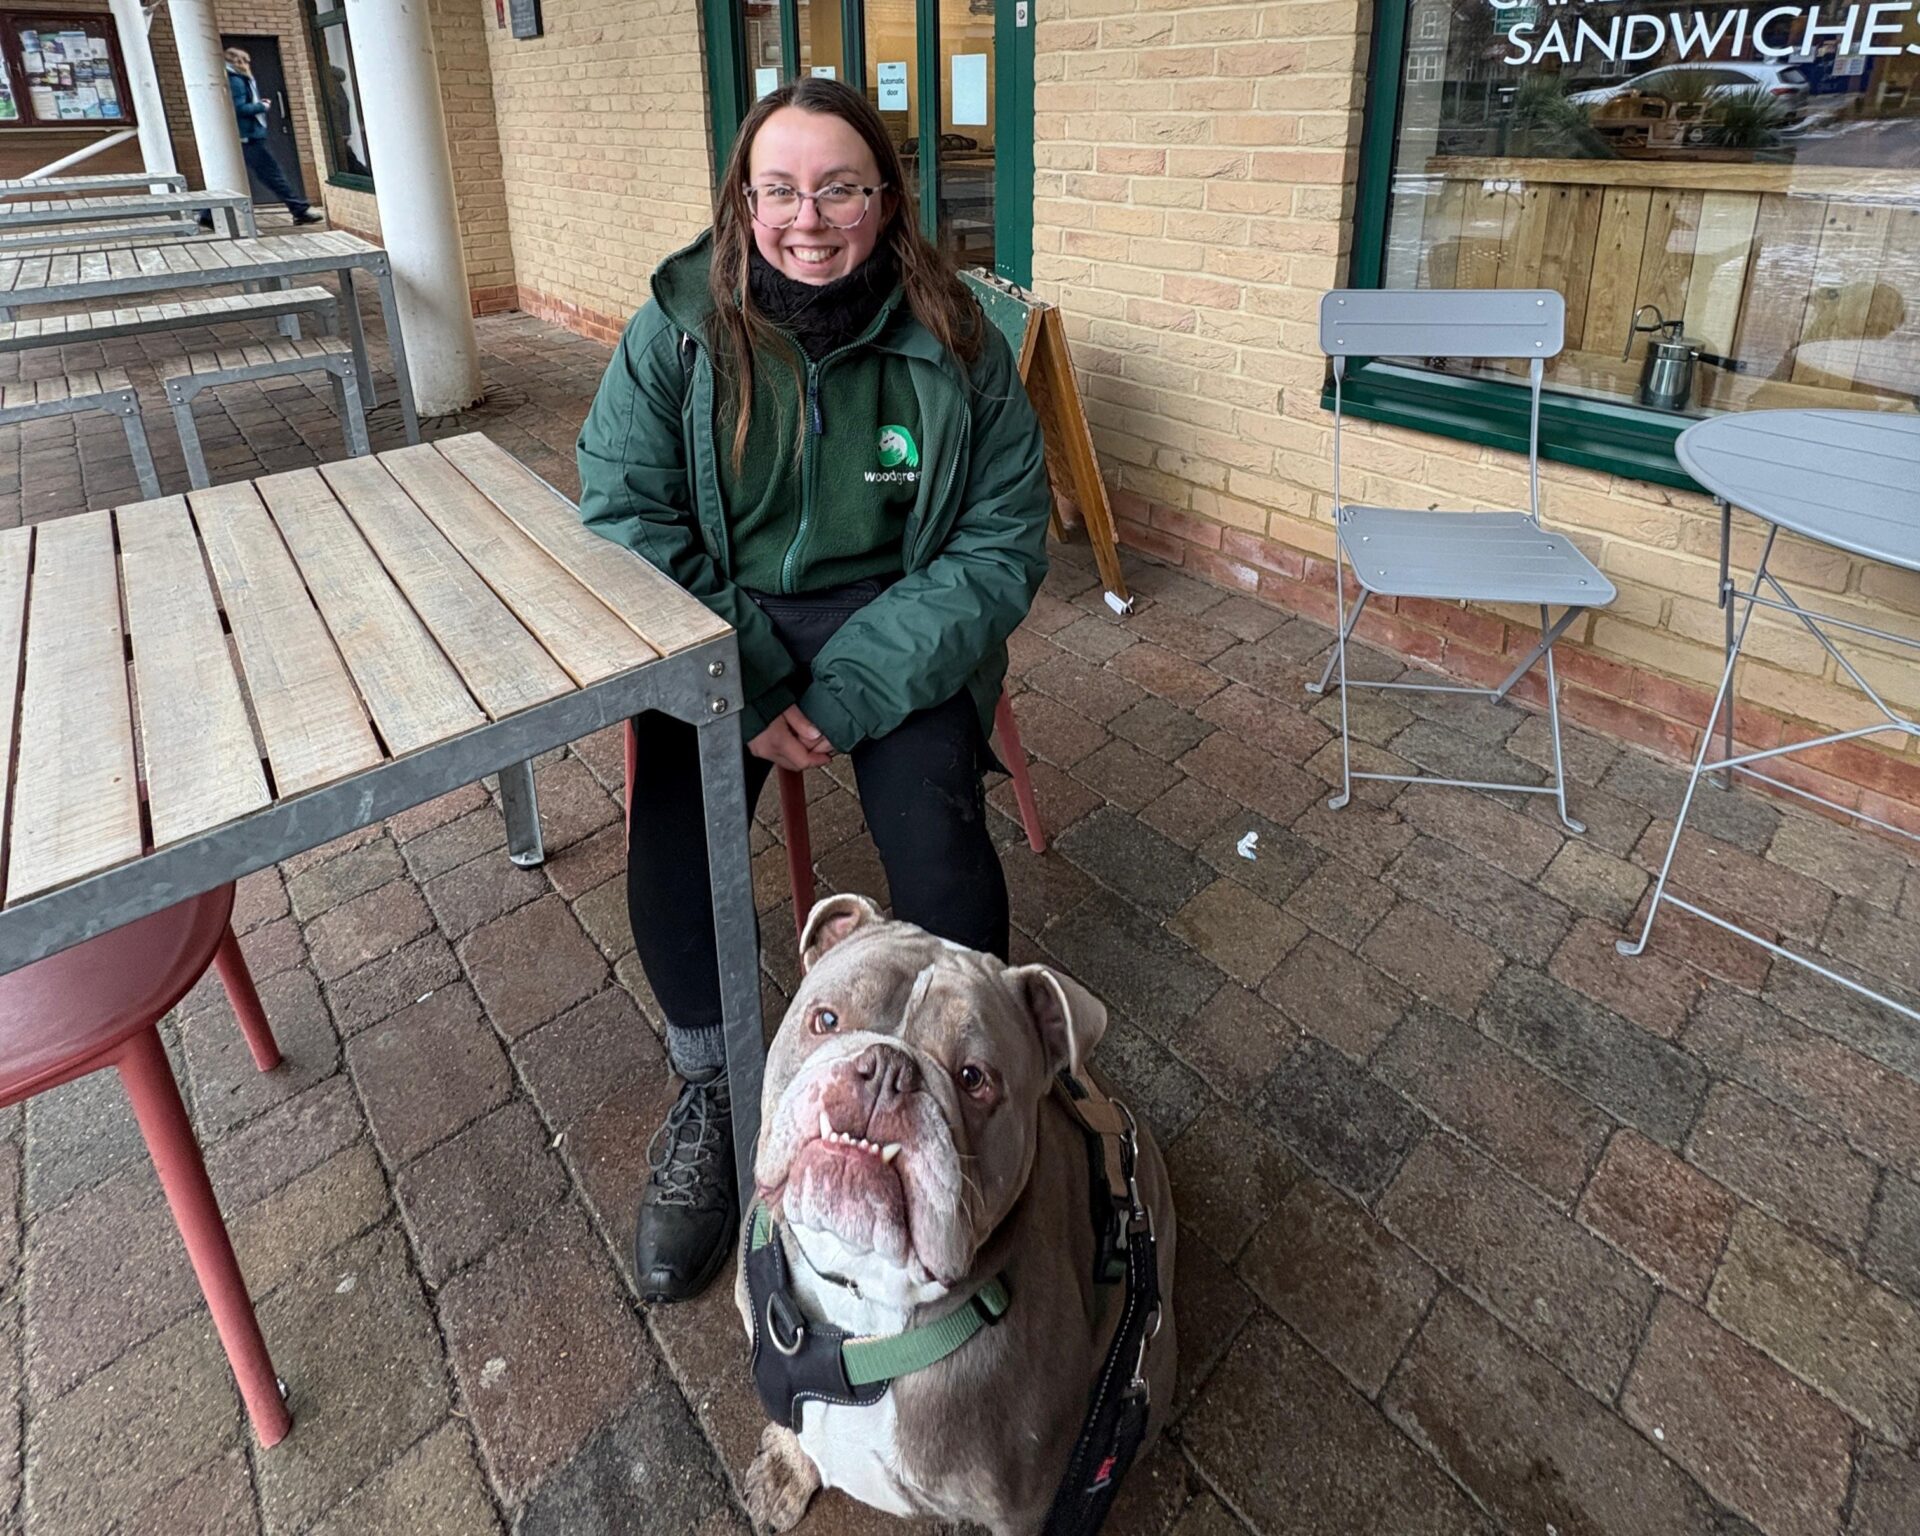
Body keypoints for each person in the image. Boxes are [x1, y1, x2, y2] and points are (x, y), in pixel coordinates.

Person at [576, 75, 1051, 1303]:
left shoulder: (961, 342)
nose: (809, 217)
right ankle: (717, 1084)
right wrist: (755, 673)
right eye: (779, 188)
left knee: (942, 850)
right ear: (743, 199)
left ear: (885, 199)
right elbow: (625, 519)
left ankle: (955, 1106)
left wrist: (841, 693)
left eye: (839, 186)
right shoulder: (678, 333)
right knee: (676, 831)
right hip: (718, 617)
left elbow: (998, 546)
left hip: (899, 624)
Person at [223, 48, 321, 225]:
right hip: (249, 138)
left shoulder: (236, 79)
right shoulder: (237, 81)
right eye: (245, 61)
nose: (247, 65)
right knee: (272, 175)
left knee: (263, 175)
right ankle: (299, 210)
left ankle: (207, 215)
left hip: (247, 137)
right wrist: (262, 106)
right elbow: (238, 109)